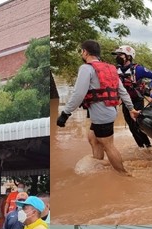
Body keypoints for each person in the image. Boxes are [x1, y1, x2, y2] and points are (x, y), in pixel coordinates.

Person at [56, 40, 137, 175]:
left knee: (108, 145)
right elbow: (122, 90)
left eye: (82, 51)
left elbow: (78, 94)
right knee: (93, 138)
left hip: (102, 115)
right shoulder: (110, 68)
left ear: (85, 52)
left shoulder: (86, 68)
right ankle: (99, 167)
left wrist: (65, 113)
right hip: (107, 112)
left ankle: (124, 175)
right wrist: (131, 108)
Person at [112, 44, 152, 148]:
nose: (117, 57)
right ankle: (141, 148)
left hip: (137, 100)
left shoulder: (139, 69)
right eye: (117, 55)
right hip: (125, 102)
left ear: (128, 56)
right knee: (131, 127)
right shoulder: (115, 70)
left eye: (120, 55)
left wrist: (149, 87)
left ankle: (148, 146)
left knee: (138, 125)